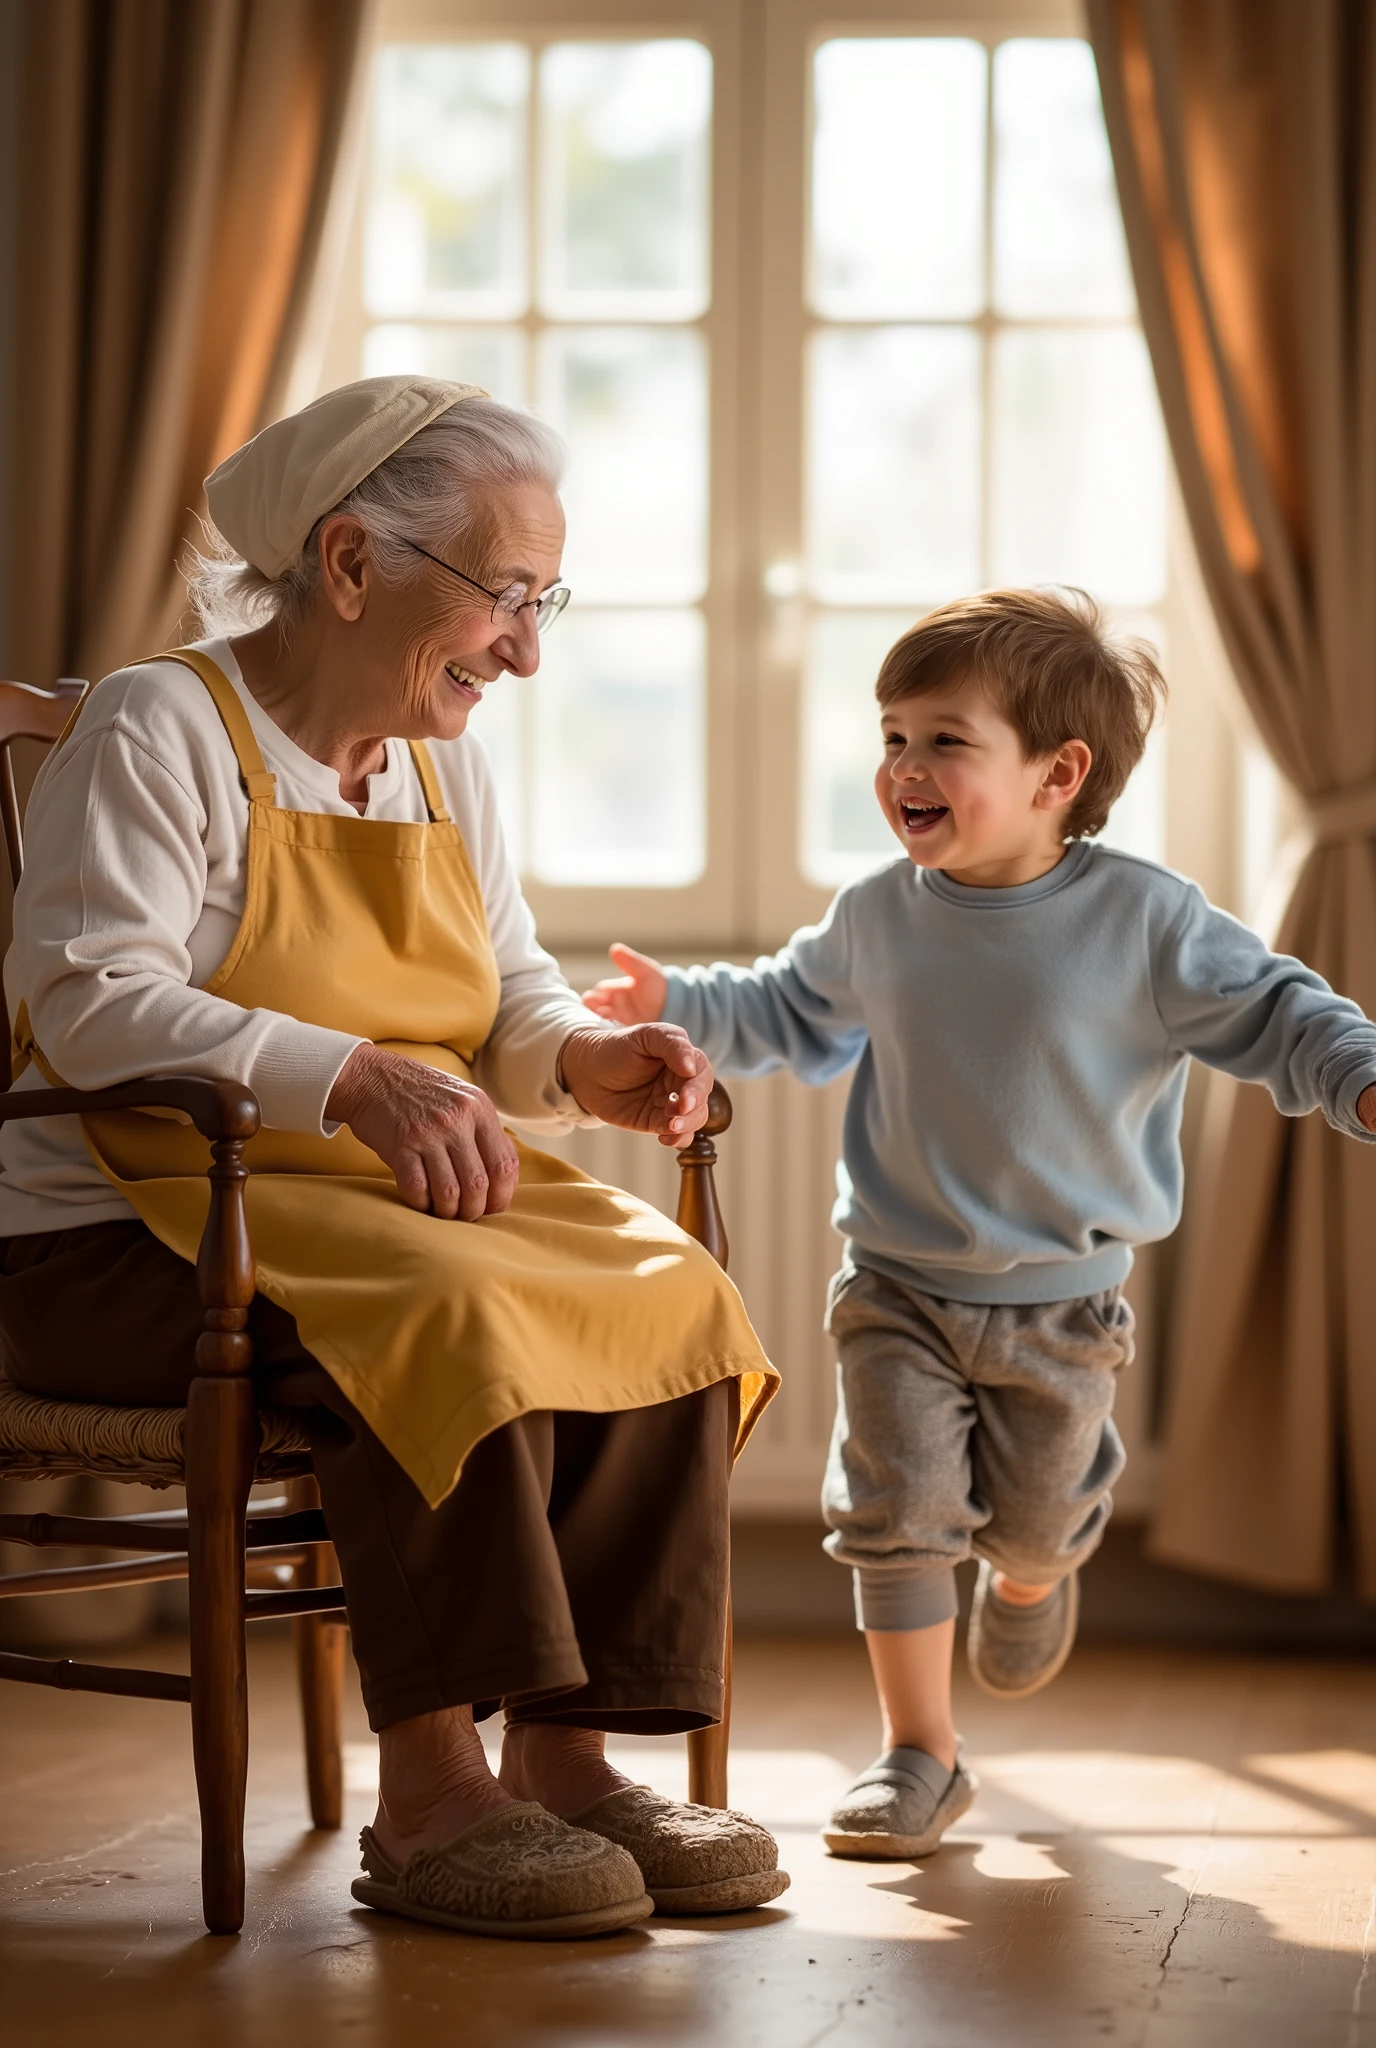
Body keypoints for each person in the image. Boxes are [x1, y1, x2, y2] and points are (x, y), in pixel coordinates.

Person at [0, 376, 786, 1939]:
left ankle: (567, 1758)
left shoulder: (443, 761)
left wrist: (584, 1061)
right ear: (351, 563)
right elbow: (89, 997)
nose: (528, 651)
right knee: (448, 1307)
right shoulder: (160, 724)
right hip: (123, 1238)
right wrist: (347, 1076)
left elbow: (506, 995)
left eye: (546, 602)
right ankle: (431, 1796)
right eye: (507, 596)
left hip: (365, 1208)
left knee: (667, 1291)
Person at [584, 585, 1376, 1862]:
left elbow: (1280, 1010)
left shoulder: (1146, 920)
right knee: (892, 1513)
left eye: (943, 740)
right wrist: (676, 1001)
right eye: (891, 735)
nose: (903, 765)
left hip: (1063, 1303)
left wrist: (1354, 1072)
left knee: (1033, 1517)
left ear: (1058, 773)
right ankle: (919, 1750)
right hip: (893, 1284)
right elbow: (786, 1008)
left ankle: (1031, 1568)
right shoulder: (878, 913)